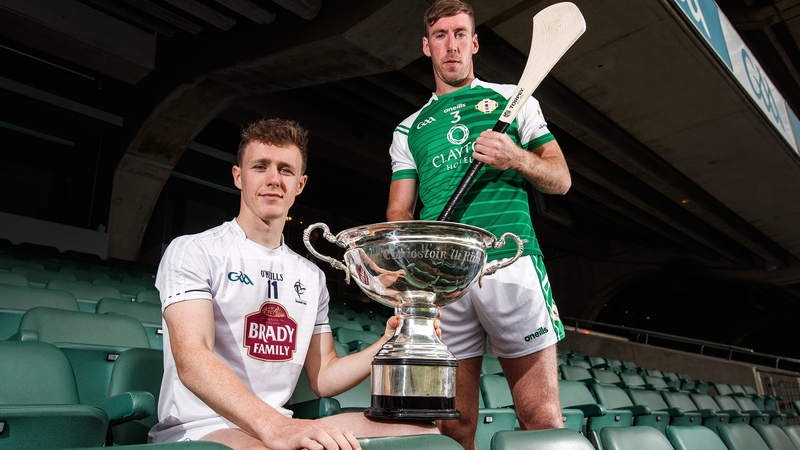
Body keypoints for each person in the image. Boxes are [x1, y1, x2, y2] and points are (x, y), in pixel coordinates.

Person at [150, 118, 437, 449]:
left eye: (285, 170)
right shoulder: (193, 250)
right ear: (238, 177)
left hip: (278, 422)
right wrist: (276, 428)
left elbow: (324, 377)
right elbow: (192, 357)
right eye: (261, 166)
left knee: (422, 435)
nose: (274, 179)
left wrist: (388, 342)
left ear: (300, 184)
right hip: (200, 427)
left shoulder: (310, 274)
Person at [385, 1, 569, 448]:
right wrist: (406, 272)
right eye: (442, 36)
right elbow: (398, 212)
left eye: (461, 34)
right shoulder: (408, 130)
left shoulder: (515, 98)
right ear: (426, 47)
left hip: (511, 264)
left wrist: (515, 157)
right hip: (445, 281)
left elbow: (560, 179)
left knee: (539, 416)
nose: (452, 45)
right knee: (452, 426)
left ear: (475, 42)